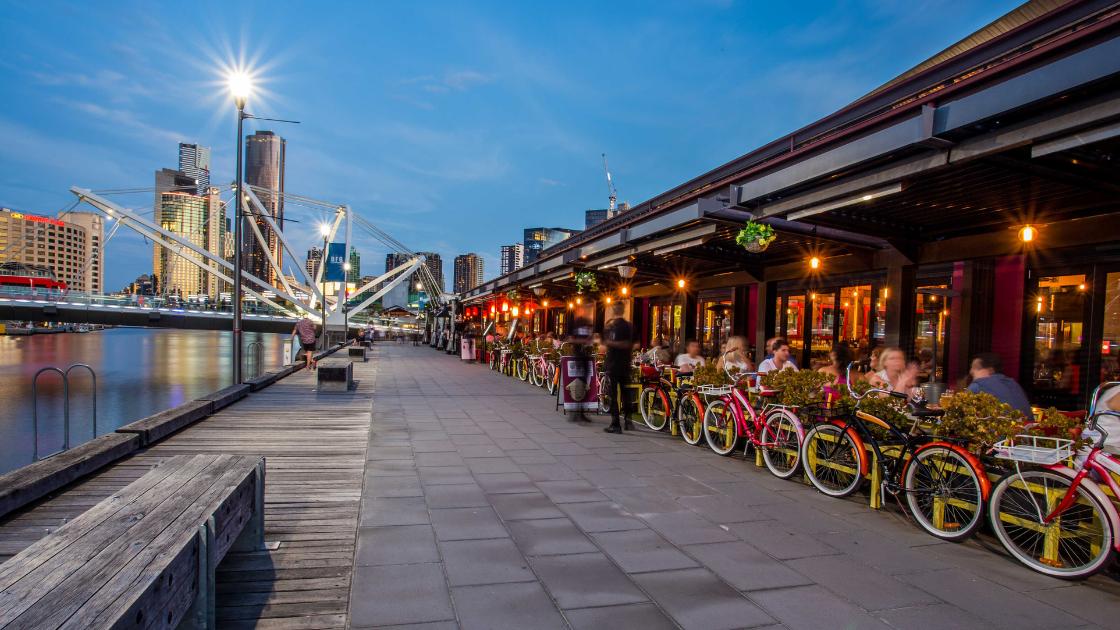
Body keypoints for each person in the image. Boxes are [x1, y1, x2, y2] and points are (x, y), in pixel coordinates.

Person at [967, 352, 1033, 419]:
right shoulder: (1014, 384)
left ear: (990, 370)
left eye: (976, 367)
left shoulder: (977, 386)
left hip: (1005, 429)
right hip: (1029, 428)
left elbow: (963, 418)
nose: (971, 371)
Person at [603, 302, 634, 434]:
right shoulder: (629, 326)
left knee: (613, 394)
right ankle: (628, 420)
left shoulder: (615, 327)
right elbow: (634, 344)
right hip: (626, 364)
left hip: (614, 364)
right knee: (626, 393)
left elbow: (625, 344)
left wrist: (610, 343)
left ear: (614, 310)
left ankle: (615, 423)